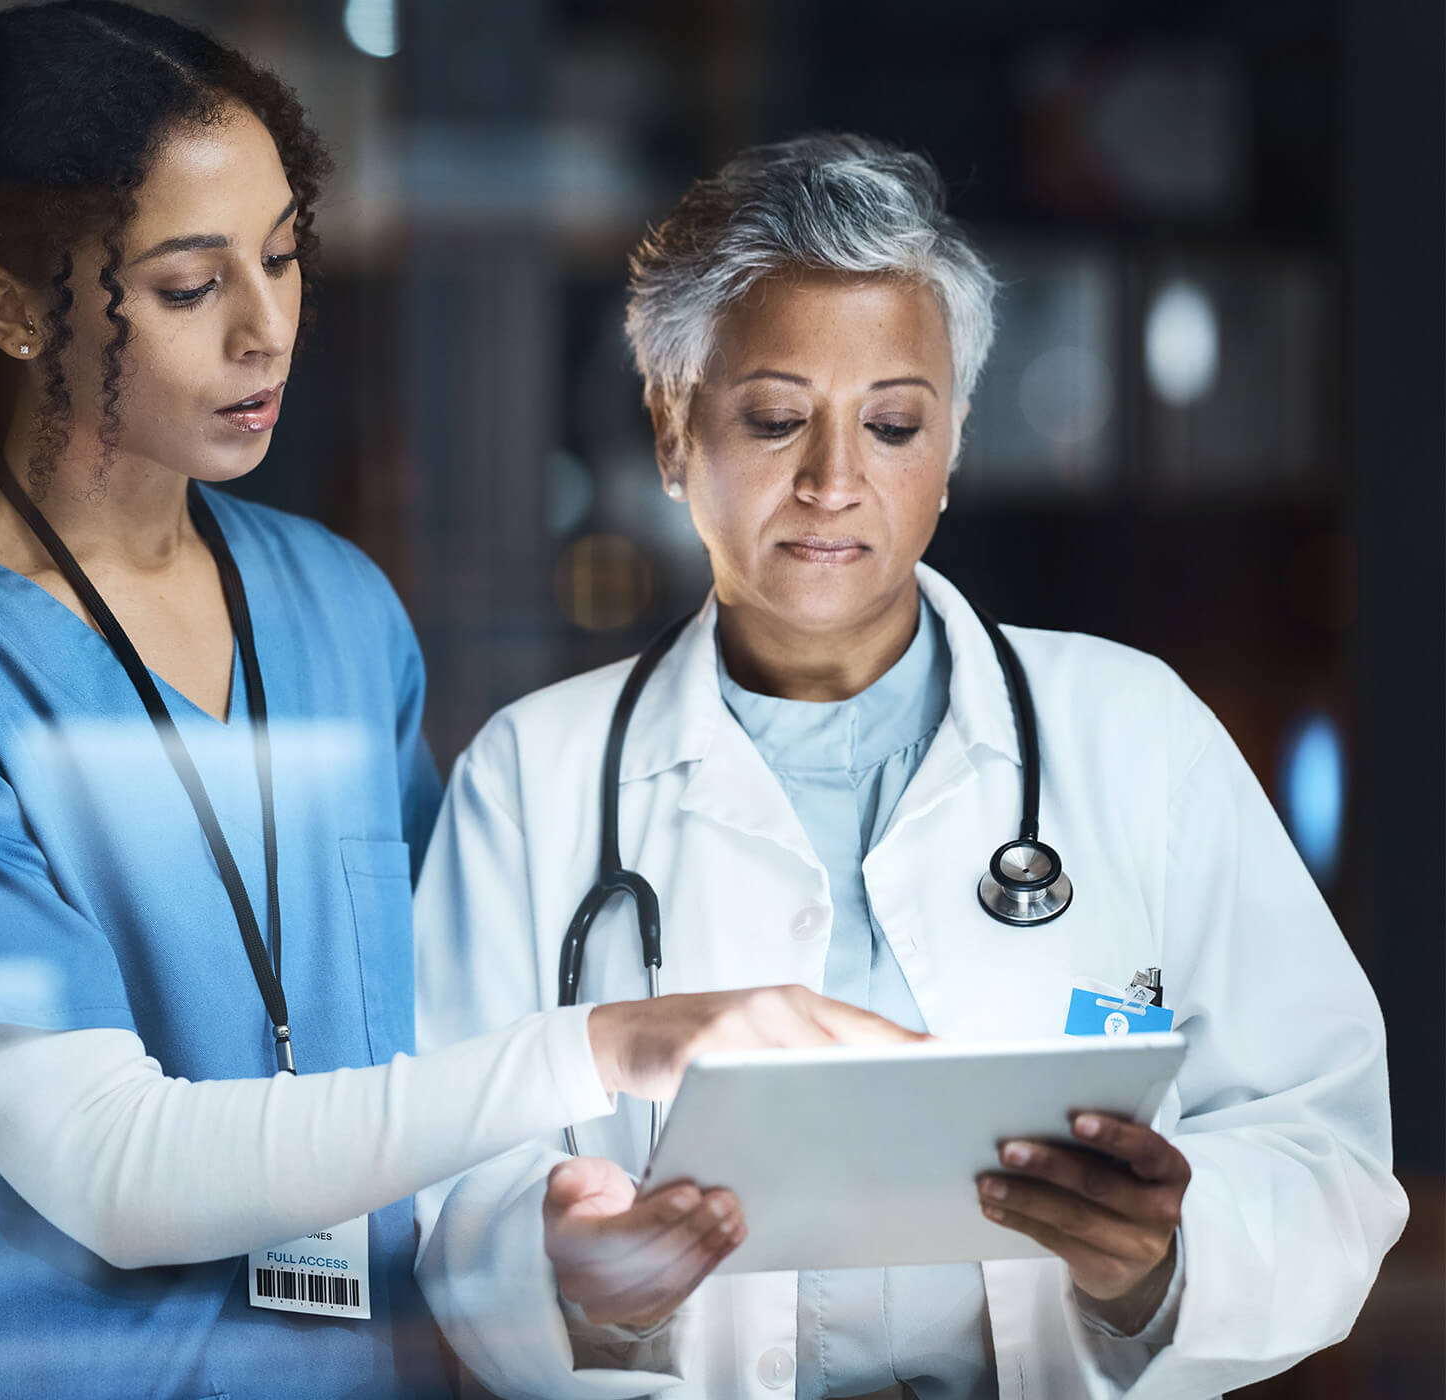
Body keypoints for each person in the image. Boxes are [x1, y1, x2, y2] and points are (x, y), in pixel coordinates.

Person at [0, 14, 916, 1398]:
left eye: (284, 256)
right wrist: (611, 1044)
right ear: (14, 309)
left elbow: (441, 1057)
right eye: (187, 285)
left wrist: (565, 1241)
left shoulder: (336, 611)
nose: (265, 327)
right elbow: (110, 1169)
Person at [411, 133, 1408, 1400]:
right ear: (671, 431)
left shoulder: (1133, 731)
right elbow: (450, 1188)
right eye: (776, 419)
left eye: (892, 424)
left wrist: (1156, 1262)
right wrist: (578, 1286)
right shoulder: (533, 780)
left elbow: (1322, 1141)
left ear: (952, 448)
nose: (835, 482)